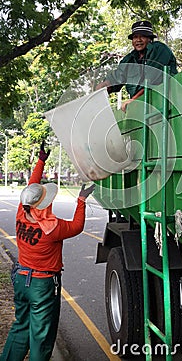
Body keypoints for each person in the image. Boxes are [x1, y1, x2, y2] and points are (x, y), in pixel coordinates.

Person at [0, 141, 95, 361]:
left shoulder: (22, 214)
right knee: (41, 337)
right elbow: (77, 226)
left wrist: (41, 161)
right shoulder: (52, 228)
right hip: (42, 286)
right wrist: (81, 200)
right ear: (44, 205)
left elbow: (31, 187)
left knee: (20, 326)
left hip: (21, 278)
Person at [96, 20, 177, 111]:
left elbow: (152, 81)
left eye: (142, 36)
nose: (138, 40)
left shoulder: (159, 49)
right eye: (135, 37)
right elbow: (117, 77)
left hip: (165, 103)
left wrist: (134, 100)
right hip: (140, 108)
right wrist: (105, 86)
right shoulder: (130, 59)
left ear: (150, 39)